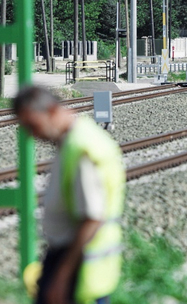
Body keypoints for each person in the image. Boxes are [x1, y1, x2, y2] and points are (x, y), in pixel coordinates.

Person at [13, 86, 126, 304]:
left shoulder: (82, 147)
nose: (33, 135)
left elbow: (92, 218)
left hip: (79, 272)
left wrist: (61, 277)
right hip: (80, 267)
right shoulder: (77, 139)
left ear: (52, 111)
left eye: (33, 125)